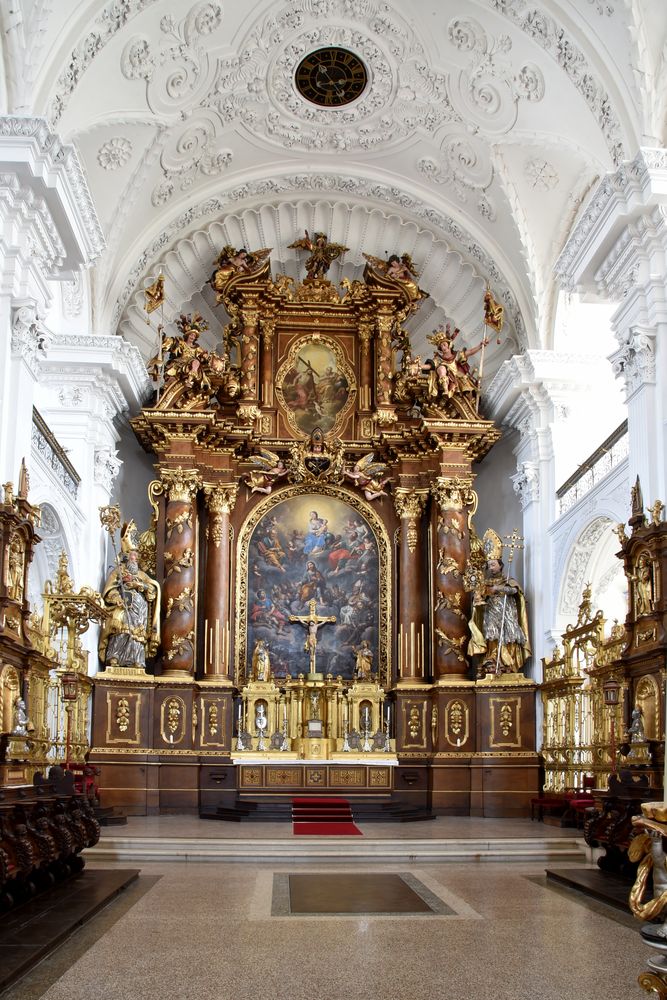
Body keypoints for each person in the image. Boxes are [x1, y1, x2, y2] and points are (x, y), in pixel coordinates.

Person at [98, 523, 160, 671]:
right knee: (121, 631)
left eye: (137, 557)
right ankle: (114, 658)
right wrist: (117, 598)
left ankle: (136, 660)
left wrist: (139, 586)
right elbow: (109, 590)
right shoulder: (118, 572)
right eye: (133, 556)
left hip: (140, 611)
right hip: (124, 607)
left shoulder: (142, 575)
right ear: (126, 557)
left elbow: (152, 589)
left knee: (136, 637)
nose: (135, 559)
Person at [468, 557, 530, 674]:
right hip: (491, 612)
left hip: (506, 612)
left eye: (493, 564)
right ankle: (492, 659)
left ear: (500, 565)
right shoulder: (485, 582)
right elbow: (478, 596)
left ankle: (508, 663)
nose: (491, 568)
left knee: (508, 635)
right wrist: (478, 597)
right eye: (489, 565)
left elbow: (515, 591)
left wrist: (498, 588)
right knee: (492, 635)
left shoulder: (507, 579)